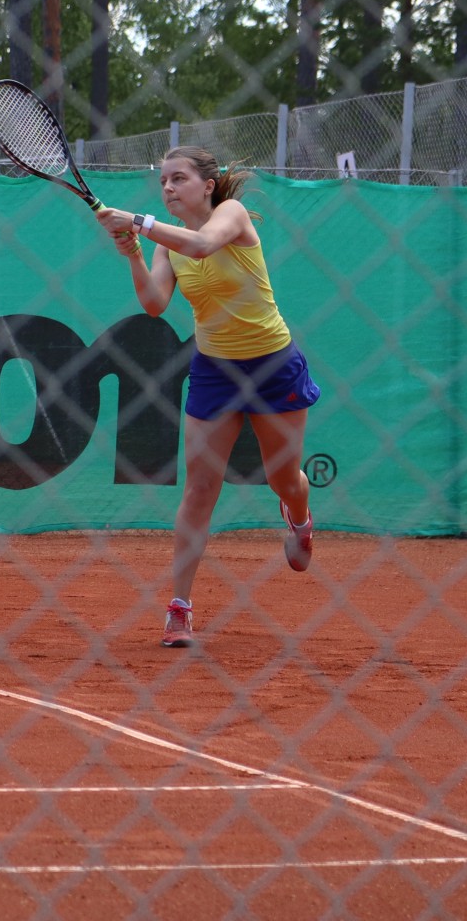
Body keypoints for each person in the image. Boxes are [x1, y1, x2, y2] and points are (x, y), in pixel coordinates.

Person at [97, 146, 320, 649]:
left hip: (272, 366)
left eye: (178, 179)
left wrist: (137, 220)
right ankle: (179, 607)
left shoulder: (230, 216)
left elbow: (201, 246)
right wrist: (133, 251)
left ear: (208, 184)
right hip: (215, 371)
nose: (168, 188)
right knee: (200, 489)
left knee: (283, 478)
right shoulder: (165, 244)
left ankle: (300, 517)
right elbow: (154, 304)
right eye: (162, 182)